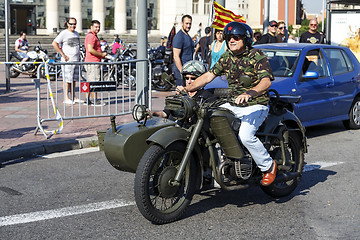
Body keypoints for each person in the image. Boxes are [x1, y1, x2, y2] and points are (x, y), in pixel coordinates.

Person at [177, 21, 277, 186]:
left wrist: (249, 93)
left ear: (245, 39)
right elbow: (208, 76)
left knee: (246, 136)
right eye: (229, 37)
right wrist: (189, 88)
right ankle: (215, 164)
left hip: (256, 104)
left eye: (236, 37)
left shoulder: (257, 55)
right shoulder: (227, 56)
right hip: (234, 104)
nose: (231, 40)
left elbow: (266, 82)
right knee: (208, 118)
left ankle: (268, 166)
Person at [52, 17, 82, 104]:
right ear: (68, 24)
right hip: (67, 60)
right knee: (67, 79)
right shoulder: (64, 33)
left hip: (76, 59)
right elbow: (54, 43)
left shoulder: (76, 33)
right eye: (71, 24)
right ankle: (66, 98)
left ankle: (74, 97)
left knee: (74, 79)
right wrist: (63, 54)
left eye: (74, 24)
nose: (73, 26)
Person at [84, 20, 107, 106]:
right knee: (94, 81)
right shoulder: (92, 37)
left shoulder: (92, 36)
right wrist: (101, 54)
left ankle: (87, 99)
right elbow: (90, 49)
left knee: (90, 81)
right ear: (91, 27)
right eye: (96, 27)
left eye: (98, 27)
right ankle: (95, 100)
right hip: (93, 62)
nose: (97, 28)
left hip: (91, 61)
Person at [172, 14, 194, 87]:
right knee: (181, 95)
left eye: (190, 24)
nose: (188, 26)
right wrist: (182, 72)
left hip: (188, 72)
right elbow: (176, 56)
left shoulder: (187, 36)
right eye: (186, 23)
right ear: (182, 23)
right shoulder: (179, 37)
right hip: (181, 74)